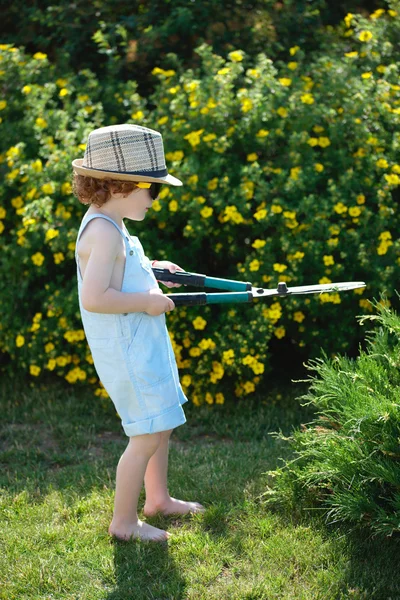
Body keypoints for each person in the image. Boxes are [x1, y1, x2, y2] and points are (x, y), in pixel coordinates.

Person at [72, 124, 205, 543]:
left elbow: (123, 273)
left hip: (142, 343)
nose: (154, 199)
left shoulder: (112, 224)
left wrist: (155, 270)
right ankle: (124, 523)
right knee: (146, 433)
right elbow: (95, 297)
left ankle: (158, 499)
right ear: (121, 185)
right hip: (127, 351)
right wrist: (148, 302)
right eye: (154, 190)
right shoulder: (102, 231)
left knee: (159, 423)